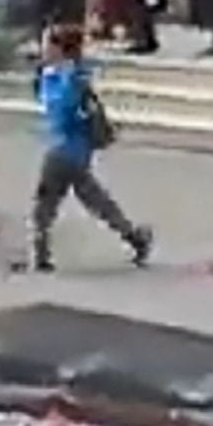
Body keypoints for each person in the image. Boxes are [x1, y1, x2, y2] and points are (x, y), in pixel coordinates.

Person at [28, 24, 152, 274]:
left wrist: (47, 80)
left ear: (59, 49)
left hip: (62, 149)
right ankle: (133, 236)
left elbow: (63, 110)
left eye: (46, 45)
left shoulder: (68, 79)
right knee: (95, 199)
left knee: (45, 204)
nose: (42, 49)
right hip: (76, 152)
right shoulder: (65, 75)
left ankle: (40, 253)